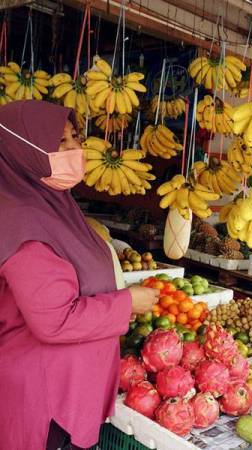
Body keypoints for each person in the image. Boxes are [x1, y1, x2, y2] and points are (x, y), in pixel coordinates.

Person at [0, 100, 159, 449]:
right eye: (60, 142)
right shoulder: (23, 223)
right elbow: (54, 320)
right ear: (23, 151)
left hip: (68, 386)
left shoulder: (55, 205)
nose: (75, 148)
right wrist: (127, 302)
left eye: (74, 137)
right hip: (46, 399)